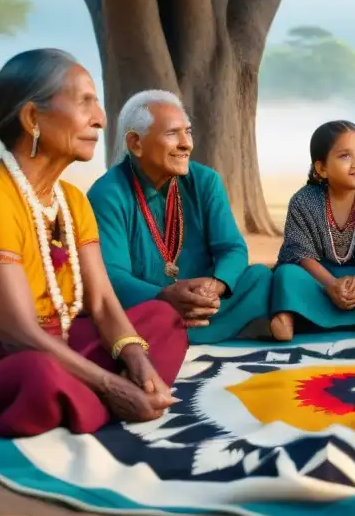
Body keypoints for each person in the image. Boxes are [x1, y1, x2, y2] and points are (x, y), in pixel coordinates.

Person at [0, 50, 186, 438]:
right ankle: (99, 396)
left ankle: (91, 397)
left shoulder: (72, 200)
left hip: (60, 345)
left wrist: (136, 360)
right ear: (32, 118)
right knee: (39, 376)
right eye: (84, 102)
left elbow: (104, 303)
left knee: (161, 320)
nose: (100, 119)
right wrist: (111, 384)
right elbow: (18, 335)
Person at [87, 90, 274, 345]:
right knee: (128, 309)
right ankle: (215, 330)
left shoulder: (205, 181)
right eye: (172, 133)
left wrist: (215, 285)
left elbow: (231, 248)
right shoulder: (108, 193)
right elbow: (112, 275)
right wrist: (164, 295)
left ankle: (180, 334)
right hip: (151, 304)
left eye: (188, 131)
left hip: (208, 302)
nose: (186, 143)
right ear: (135, 143)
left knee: (259, 277)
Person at [269, 121, 355, 341]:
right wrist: (331, 284)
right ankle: (286, 319)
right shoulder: (303, 200)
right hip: (319, 281)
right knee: (286, 274)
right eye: (345, 156)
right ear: (322, 168)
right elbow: (299, 252)